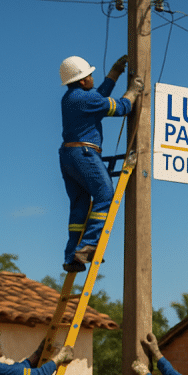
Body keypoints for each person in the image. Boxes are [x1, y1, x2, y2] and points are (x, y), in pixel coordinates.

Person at [58, 54, 144, 272]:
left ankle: (72, 256)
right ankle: (88, 245)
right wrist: (133, 92)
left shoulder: (72, 98)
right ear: (82, 80)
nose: (92, 77)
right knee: (105, 195)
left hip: (68, 156)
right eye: (89, 75)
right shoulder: (86, 100)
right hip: (85, 153)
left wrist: (114, 73)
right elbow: (123, 107)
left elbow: (99, 97)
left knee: (79, 206)